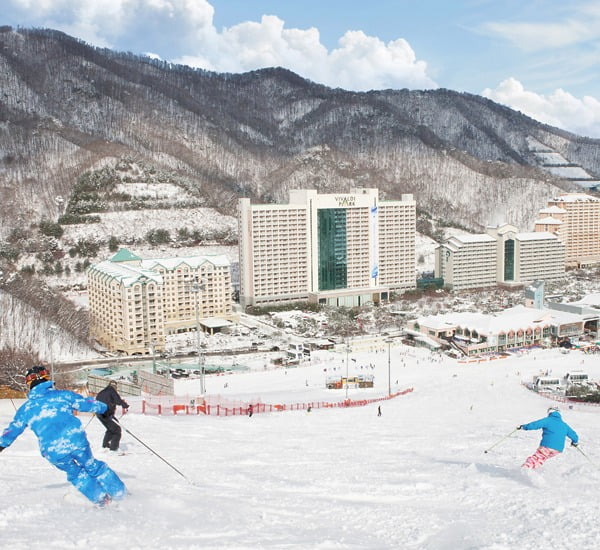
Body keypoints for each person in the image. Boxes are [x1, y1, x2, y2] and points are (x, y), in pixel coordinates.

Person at [0, 366, 126, 507]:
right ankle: (120, 493)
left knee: (76, 474)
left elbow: (12, 430)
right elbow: (86, 404)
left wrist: (2, 444)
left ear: (29, 384)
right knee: (92, 466)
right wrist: (105, 408)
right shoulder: (63, 396)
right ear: (47, 378)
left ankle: (102, 500)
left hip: (53, 451)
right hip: (76, 441)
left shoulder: (26, 409)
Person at [96, 380, 129, 452]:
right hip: (107, 414)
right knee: (117, 430)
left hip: (99, 414)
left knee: (111, 428)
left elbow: (97, 400)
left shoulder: (101, 392)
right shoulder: (112, 391)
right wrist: (125, 405)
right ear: (115, 386)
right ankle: (113, 449)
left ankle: (105, 446)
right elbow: (118, 400)